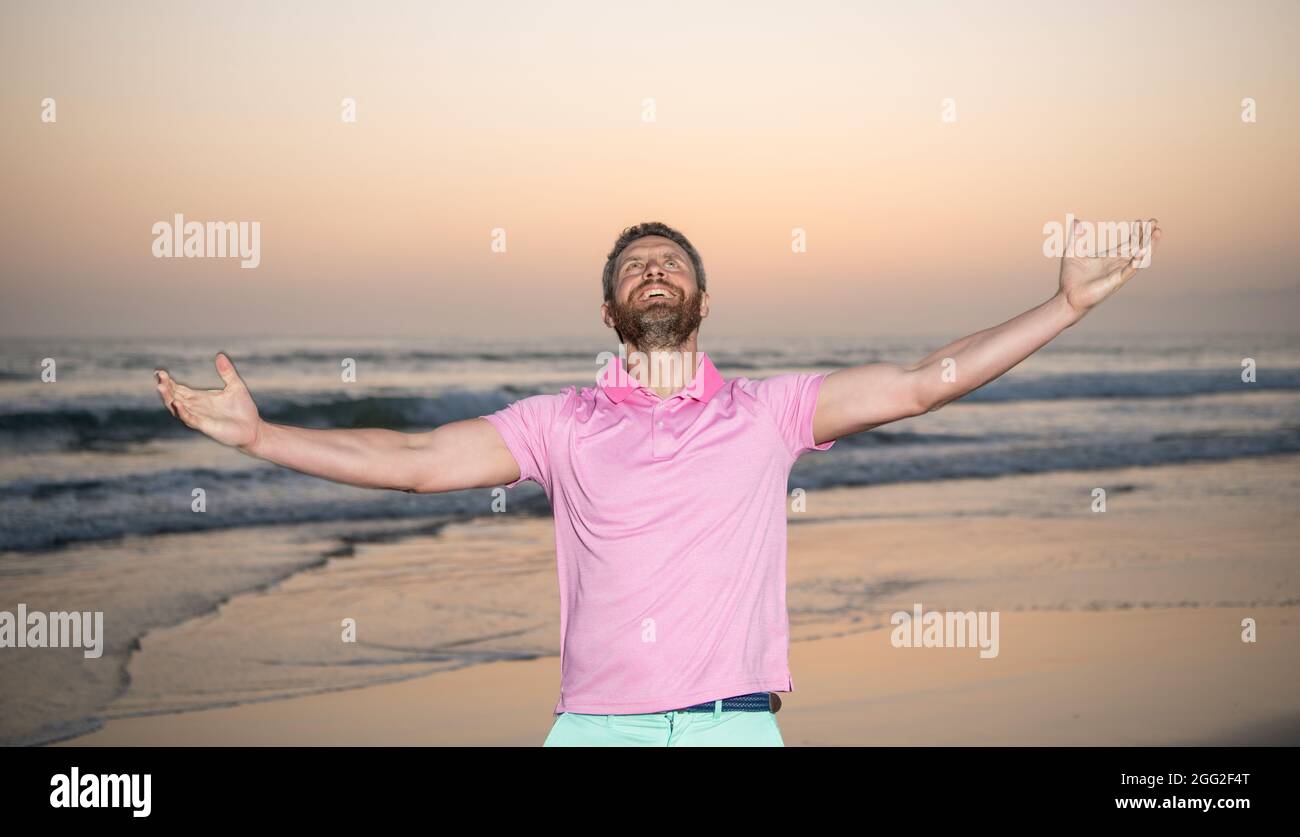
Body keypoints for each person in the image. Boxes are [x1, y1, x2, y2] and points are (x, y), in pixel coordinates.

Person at [154, 218, 1161, 746]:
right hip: (596, 729)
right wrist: (262, 437)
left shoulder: (767, 413)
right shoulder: (559, 424)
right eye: (634, 264)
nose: (652, 269)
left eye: (669, 260)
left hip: (735, 725)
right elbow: (417, 462)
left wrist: (1061, 306)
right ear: (608, 311)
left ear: (701, 297)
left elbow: (916, 383)